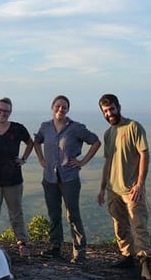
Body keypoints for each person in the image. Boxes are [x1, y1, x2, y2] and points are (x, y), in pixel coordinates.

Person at [33, 95, 101, 263]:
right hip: (49, 178)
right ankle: (55, 247)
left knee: (73, 214)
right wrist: (41, 159)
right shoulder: (45, 127)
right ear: (52, 107)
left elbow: (95, 142)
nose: (60, 109)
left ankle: (79, 251)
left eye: (64, 107)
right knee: (54, 213)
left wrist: (82, 161)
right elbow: (36, 141)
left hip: (69, 177)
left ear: (68, 109)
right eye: (58, 106)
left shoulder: (76, 128)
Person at [97, 93, 151, 280]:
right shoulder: (108, 133)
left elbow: (144, 155)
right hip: (113, 188)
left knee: (138, 225)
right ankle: (127, 256)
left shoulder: (133, 127)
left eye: (111, 109)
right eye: (105, 111)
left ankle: (144, 262)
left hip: (131, 188)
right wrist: (102, 187)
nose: (109, 113)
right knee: (119, 225)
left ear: (118, 107)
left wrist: (139, 184)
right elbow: (108, 162)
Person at [0, 97, 34, 255]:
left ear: (10, 113)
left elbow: (30, 143)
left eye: (6, 111)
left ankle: (22, 242)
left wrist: (23, 159)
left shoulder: (18, 129)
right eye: (0, 110)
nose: (2, 113)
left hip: (13, 179)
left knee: (16, 212)